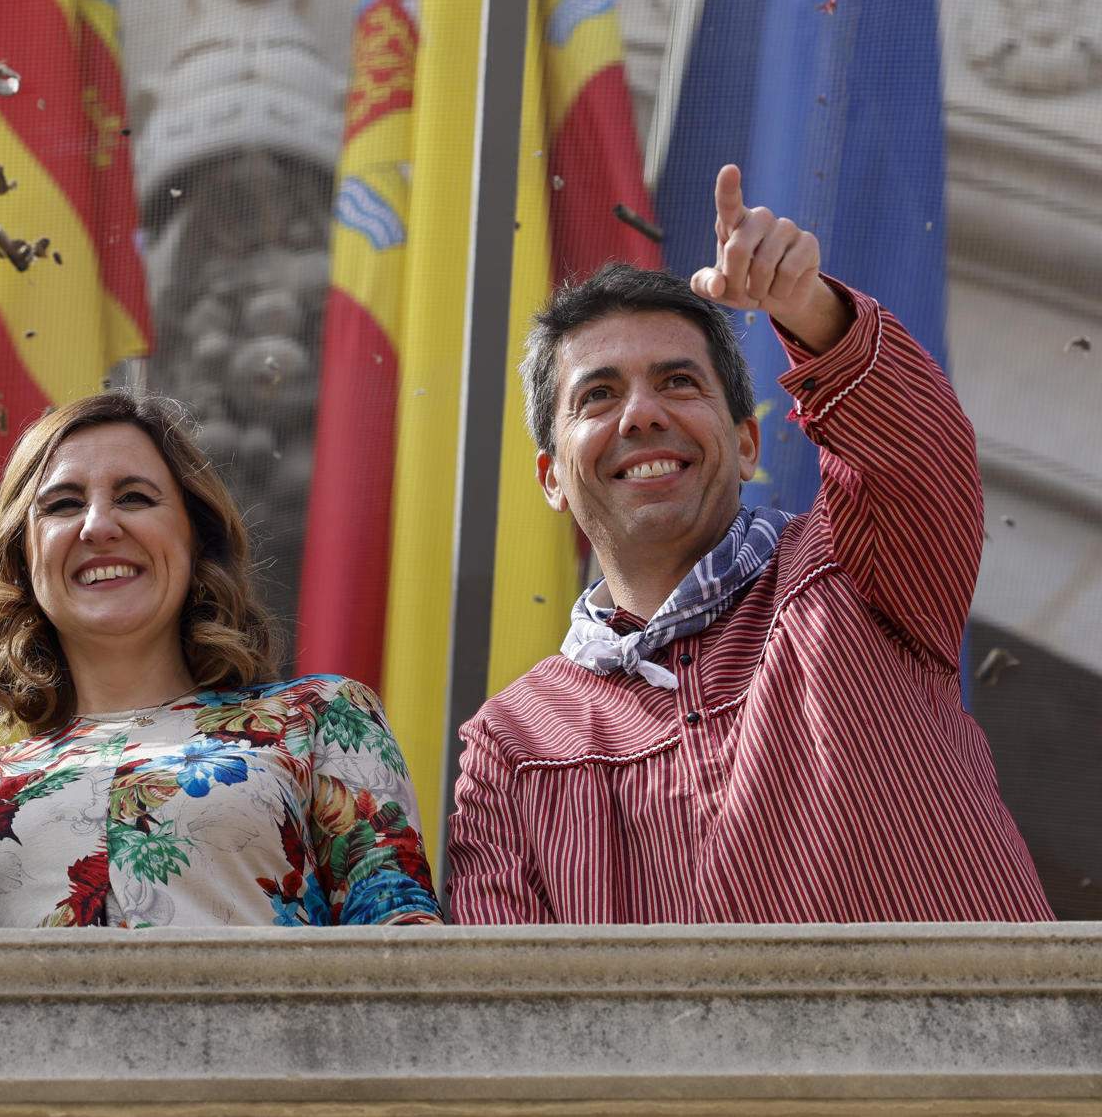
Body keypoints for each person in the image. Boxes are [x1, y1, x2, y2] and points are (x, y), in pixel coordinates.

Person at [445, 164, 1053, 925]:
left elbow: (916, 449)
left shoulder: (855, 570)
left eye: (677, 382)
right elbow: (503, 1004)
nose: (640, 415)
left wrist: (807, 305)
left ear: (746, 444)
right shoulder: (513, 744)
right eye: (598, 394)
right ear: (552, 478)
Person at [0, 392, 440, 928]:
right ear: (23, 557)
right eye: (63, 505)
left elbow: (403, 954)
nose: (99, 526)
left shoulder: (319, 720)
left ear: (195, 538)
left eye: (134, 497)